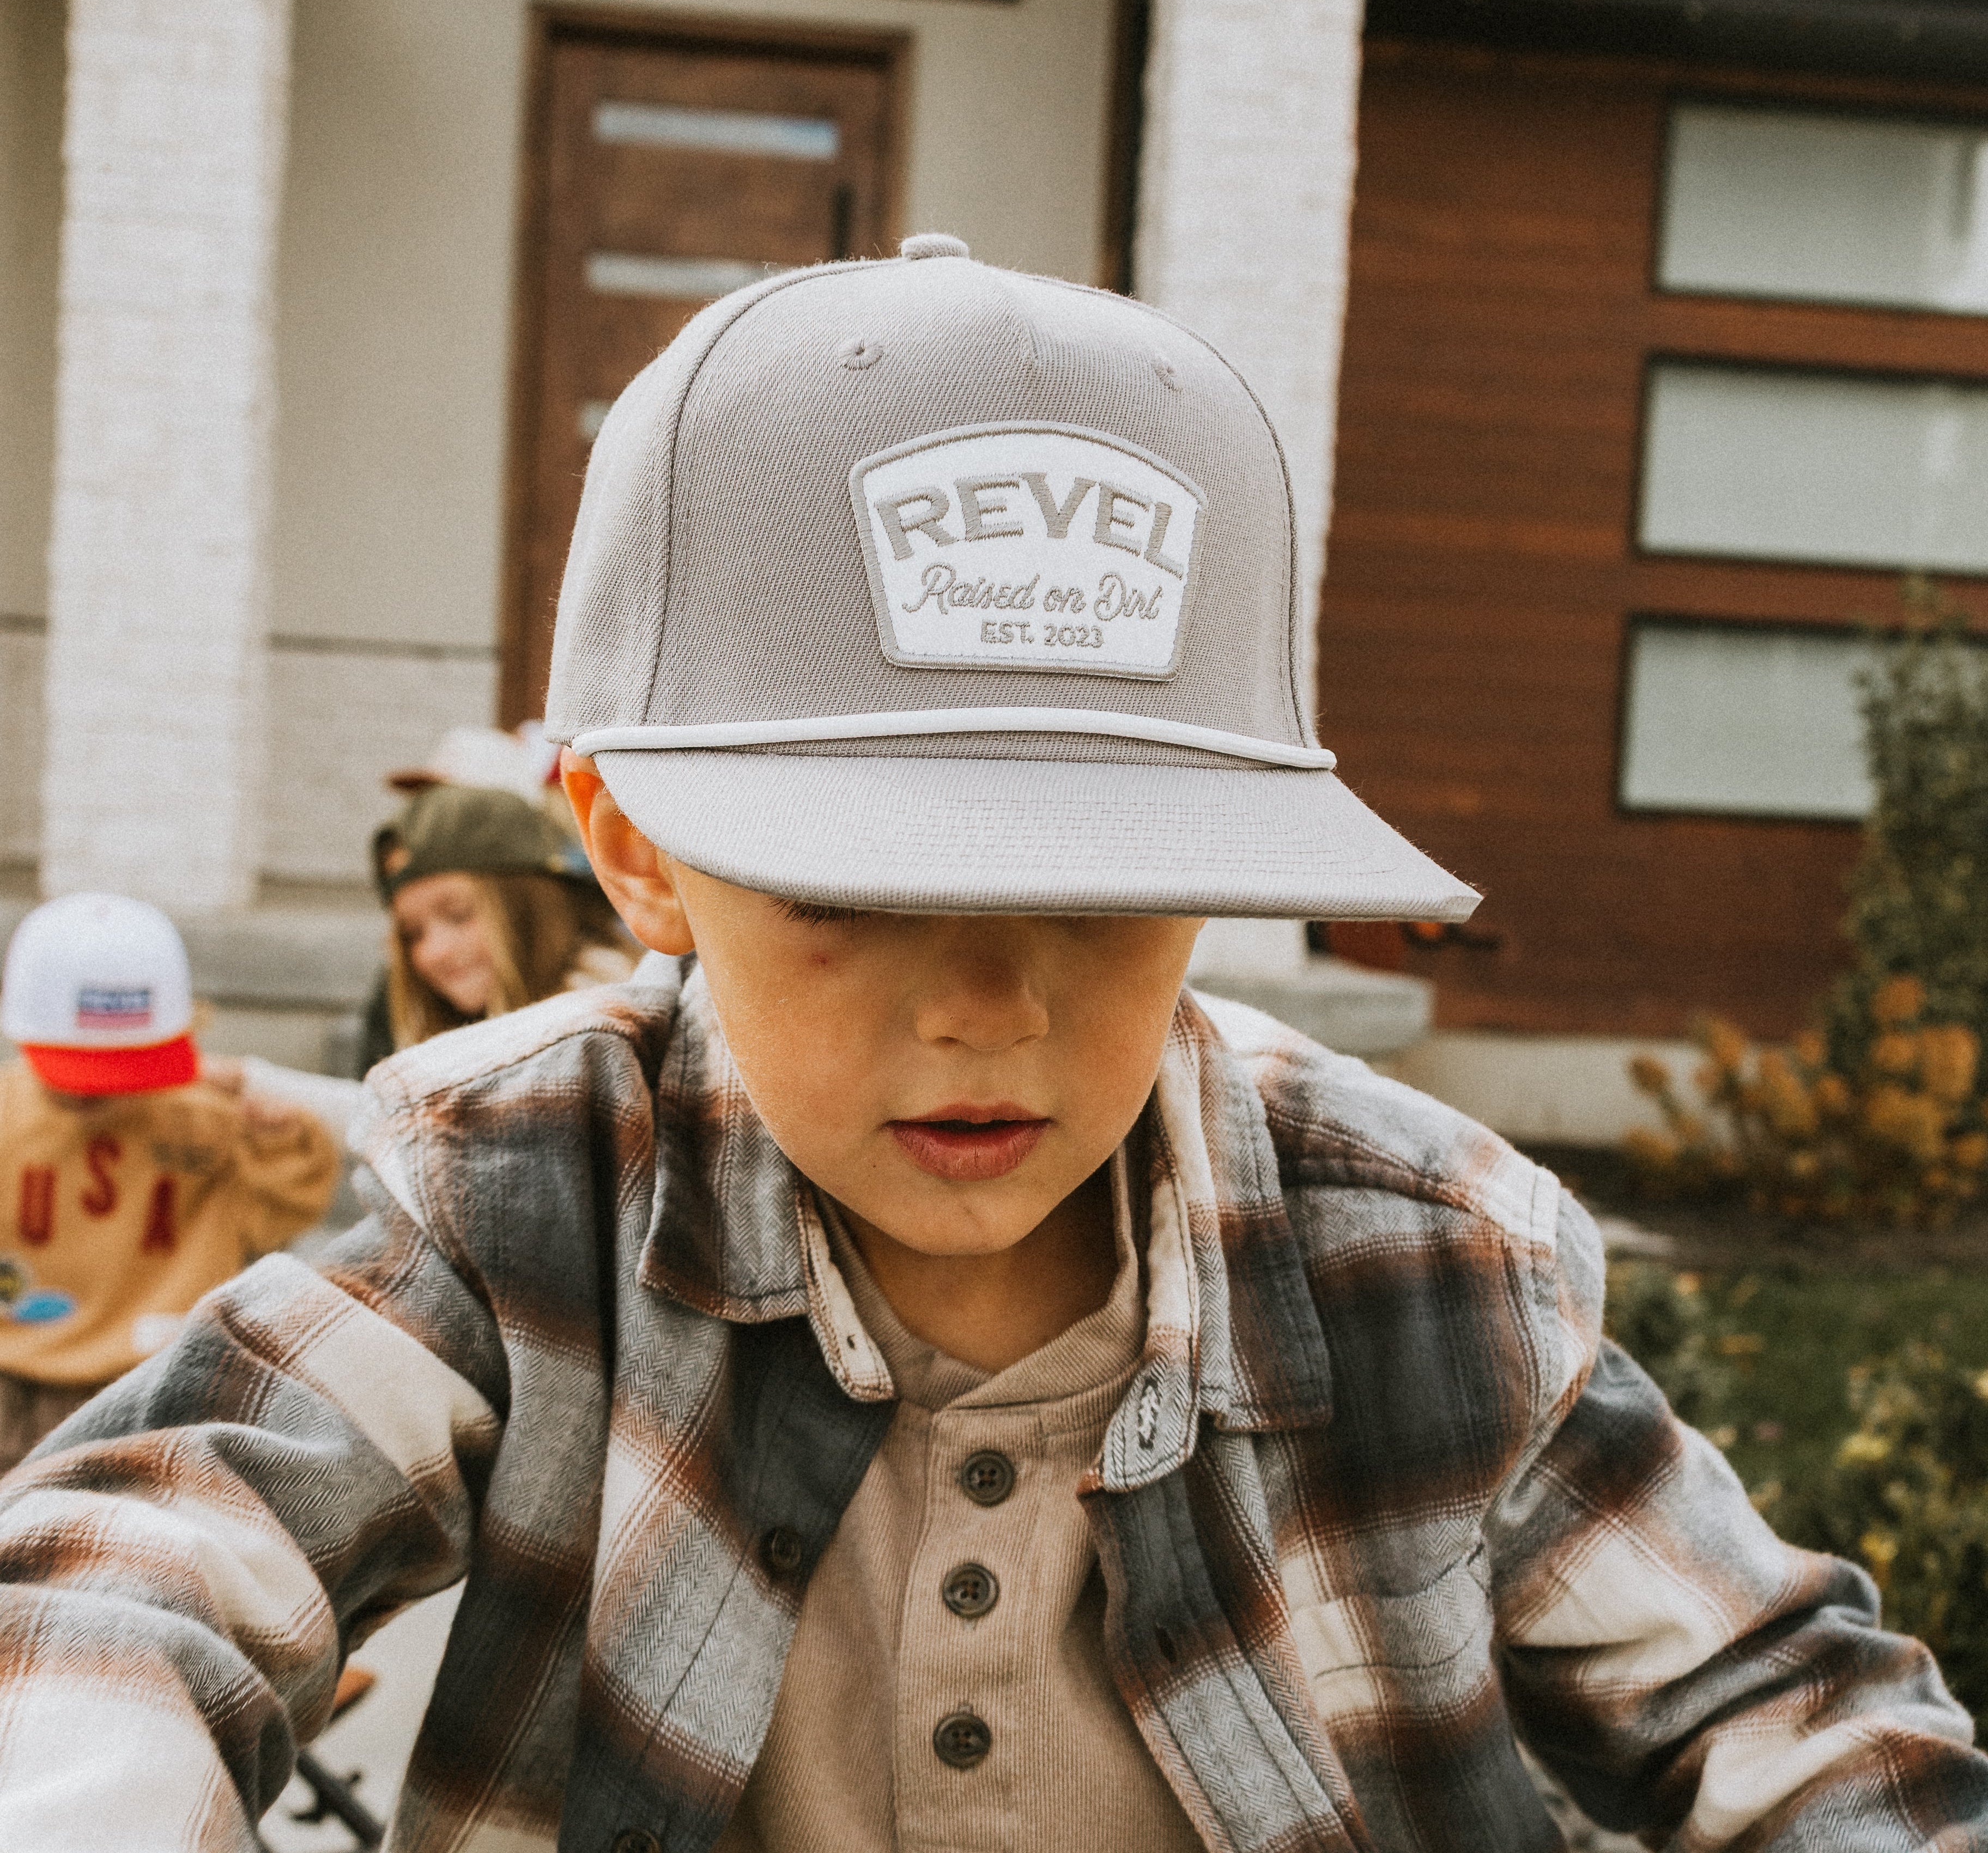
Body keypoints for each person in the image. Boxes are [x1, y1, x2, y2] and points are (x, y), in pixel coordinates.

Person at [0, 235, 1981, 1850]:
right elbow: (135, 1565)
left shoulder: (1420, 1259)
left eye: (1106, 892)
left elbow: (1789, 1717)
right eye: (850, 893)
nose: (983, 1013)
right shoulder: (532, 1198)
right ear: (634, 851)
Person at [0, 893, 337, 1471]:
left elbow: (282, 1212)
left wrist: (279, 1136)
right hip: (12, 1380)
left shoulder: (204, 1117)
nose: (94, 1091)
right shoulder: (8, 1111)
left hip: (158, 1385)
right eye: (76, 1069)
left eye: (120, 1068)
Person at [364, 780, 636, 1066]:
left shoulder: (602, 1022)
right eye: (412, 935)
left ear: (532, 909)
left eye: (459, 915)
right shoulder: (408, 1025)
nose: (436, 951)